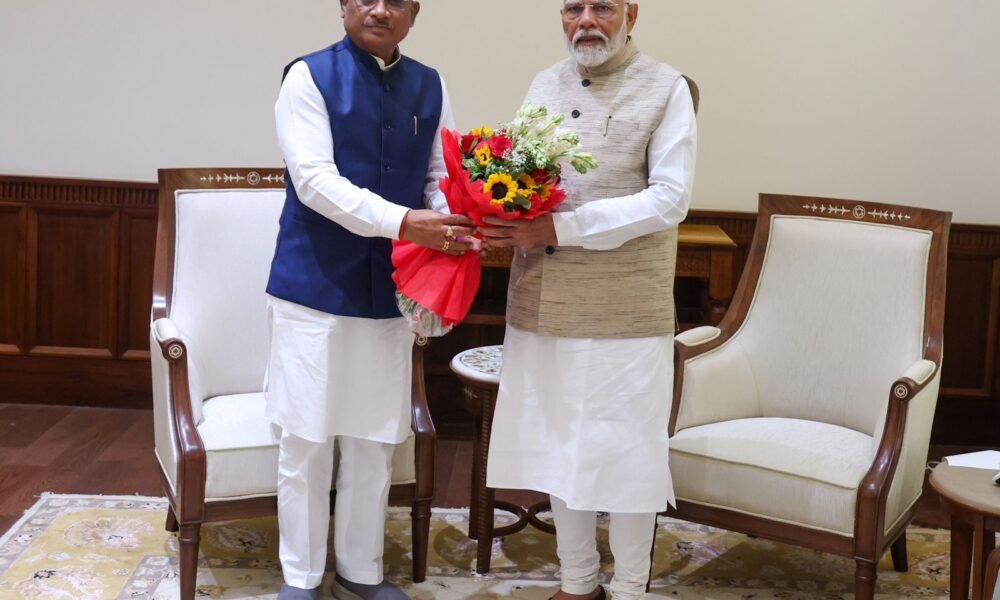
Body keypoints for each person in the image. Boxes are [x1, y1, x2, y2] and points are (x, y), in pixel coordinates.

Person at [479, 1, 697, 599]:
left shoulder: (668, 88)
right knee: (557, 451)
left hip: (624, 310)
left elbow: (669, 198)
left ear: (630, 13)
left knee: (628, 458)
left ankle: (628, 588)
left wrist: (562, 228)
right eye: (573, 7)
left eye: (602, 6)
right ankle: (577, 582)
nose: (586, 21)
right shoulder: (543, 84)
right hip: (543, 301)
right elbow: (522, 181)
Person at [264, 0, 475, 598]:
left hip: (393, 289)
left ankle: (360, 574)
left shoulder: (430, 84)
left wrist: (450, 220)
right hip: (313, 287)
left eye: (396, 1)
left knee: (374, 438)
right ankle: (301, 578)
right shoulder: (308, 76)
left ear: (414, 12)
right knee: (305, 440)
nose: (380, 10)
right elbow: (314, 181)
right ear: (343, 5)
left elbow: (438, 173)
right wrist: (406, 223)